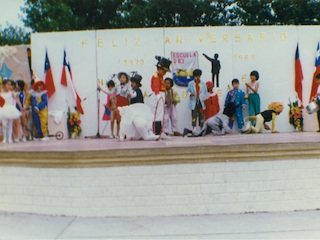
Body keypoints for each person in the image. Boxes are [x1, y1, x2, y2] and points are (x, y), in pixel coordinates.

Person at [150, 56, 172, 135]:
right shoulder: (156, 76)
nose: (165, 73)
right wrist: (157, 95)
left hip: (161, 95)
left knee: (161, 114)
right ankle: (155, 132)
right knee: (156, 114)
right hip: (157, 95)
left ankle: (160, 131)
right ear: (159, 69)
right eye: (164, 71)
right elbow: (156, 86)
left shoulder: (161, 77)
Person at [1, 79, 24, 144]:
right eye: (8, 85)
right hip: (3, 109)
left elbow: (17, 100)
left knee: (10, 124)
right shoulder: (1, 93)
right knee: (4, 124)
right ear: (4, 85)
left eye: (10, 85)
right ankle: (5, 138)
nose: (9, 86)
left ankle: (9, 138)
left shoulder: (11, 93)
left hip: (10, 108)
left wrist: (21, 107)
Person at [186, 69, 207, 134]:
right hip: (194, 101)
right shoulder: (190, 84)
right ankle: (194, 128)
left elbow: (205, 93)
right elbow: (187, 92)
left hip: (201, 102)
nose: (197, 77)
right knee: (194, 115)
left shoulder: (203, 84)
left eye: (198, 76)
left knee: (201, 115)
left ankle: (201, 128)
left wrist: (204, 99)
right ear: (194, 76)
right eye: (196, 76)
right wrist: (190, 94)